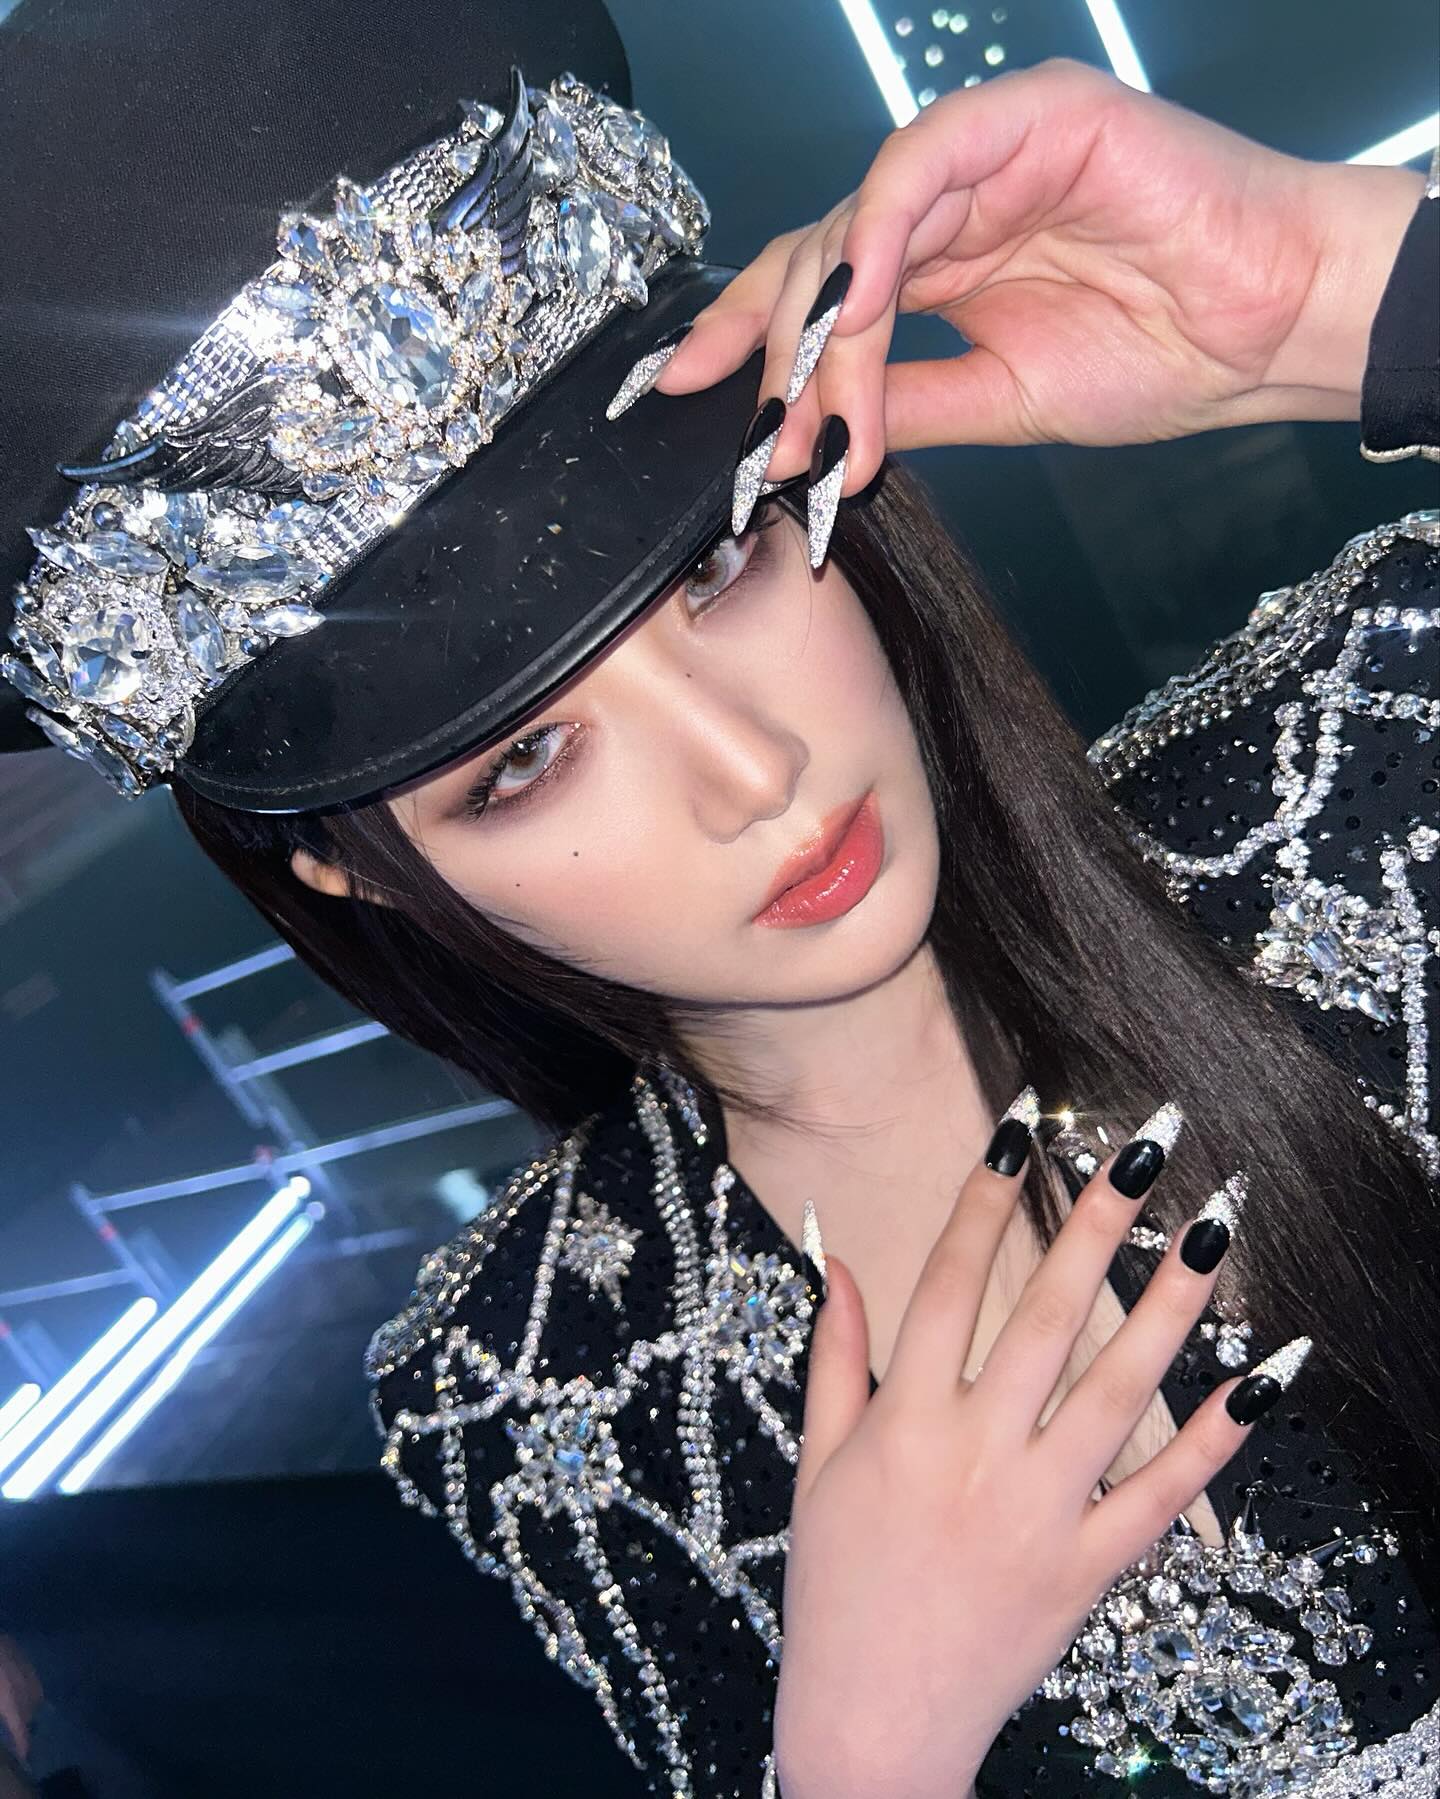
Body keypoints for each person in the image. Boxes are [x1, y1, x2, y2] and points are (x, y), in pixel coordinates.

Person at [0, 3, 1434, 1794]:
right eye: (524, 760)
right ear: (345, 865)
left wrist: (1345, 294)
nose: (755, 770)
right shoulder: (537, 1380)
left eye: (723, 563)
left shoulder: (1367, 765)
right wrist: (867, 1747)